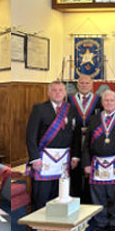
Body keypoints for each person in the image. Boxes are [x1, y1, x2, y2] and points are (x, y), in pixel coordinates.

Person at [24, 81, 76, 211]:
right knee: (42, 193)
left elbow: (75, 136)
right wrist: (34, 158)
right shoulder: (39, 109)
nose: (57, 93)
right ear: (48, 92)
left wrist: (75, 156)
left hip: (64, 159)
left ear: (65, 93)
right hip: (44, 159)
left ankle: (56, 223)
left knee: (59, 193)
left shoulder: (71, 109)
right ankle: (39, 224)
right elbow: (31, 136)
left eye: (60, 90)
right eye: (54, 90)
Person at [83, 90, 115, 231]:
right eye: (106, 100)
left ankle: (114, 222)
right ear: (102, 103)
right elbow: (86, 144)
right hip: (97, 163)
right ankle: (100, 222)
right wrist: (86, 163)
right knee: (98, 194)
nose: (109, 103)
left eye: (112, 100)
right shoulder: (94, 119)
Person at [70, 76, 99, 203]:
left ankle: (89, 201)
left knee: (89, 170)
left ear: (92, 85)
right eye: (81, 83)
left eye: (87, 83)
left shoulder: (99, 100)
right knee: (75, 171)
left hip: (92, 140)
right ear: (77, 85)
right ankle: (75, 200)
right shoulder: (69, 99)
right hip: (74, 140)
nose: (84, 85)